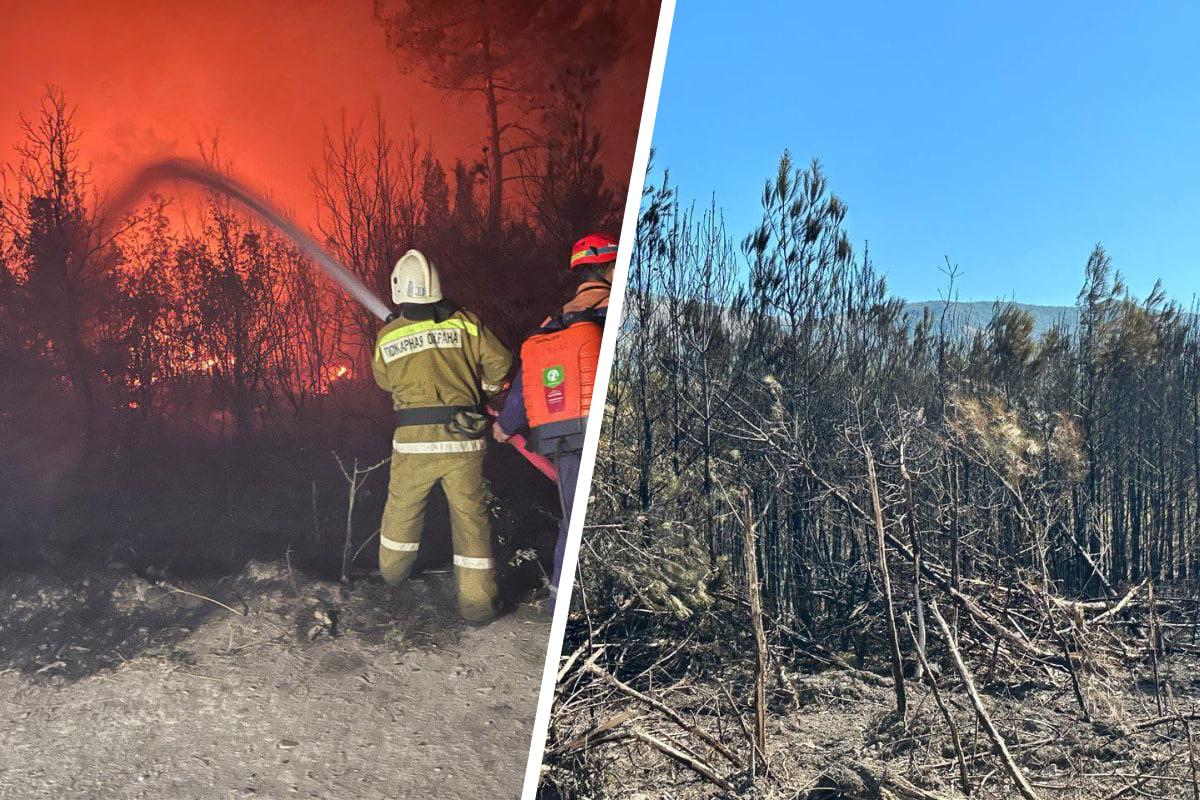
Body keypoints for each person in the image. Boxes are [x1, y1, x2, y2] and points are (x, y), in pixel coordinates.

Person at [372, 249, 512, 624]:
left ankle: (392, 575)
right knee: (470, 519)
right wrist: (483, 391)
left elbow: (383, 380)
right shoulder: (467, 324)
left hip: (413, 442)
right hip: (464, 440)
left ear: (399, 288)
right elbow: (501, 362)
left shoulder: (388, 335)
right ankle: (478, 606)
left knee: (402, 510)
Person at [494, 233, 617, 609]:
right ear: (608, 267)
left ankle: (559, 601)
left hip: (563, 439)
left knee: (573, 520)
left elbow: (523, 385)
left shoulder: (553, 323)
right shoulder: (613, 310)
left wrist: (505, 425)